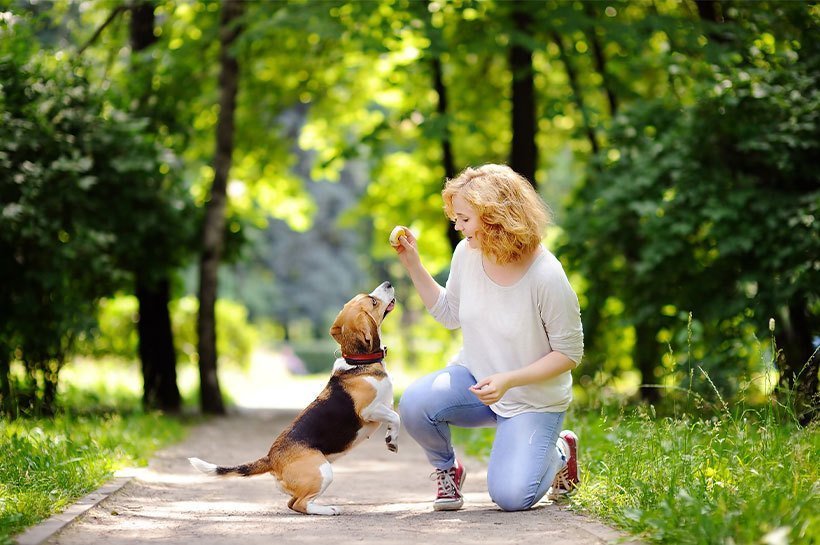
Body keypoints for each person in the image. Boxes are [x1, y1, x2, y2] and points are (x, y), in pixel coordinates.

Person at [391, 163, 584, 512]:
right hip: (477, 382)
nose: (457, 226)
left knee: (511, 498)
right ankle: (447, 470)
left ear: (495, 217)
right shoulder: (467, 253)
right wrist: (413, 265)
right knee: (415, 404)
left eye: (464, 218)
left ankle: (560, 451)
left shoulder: (547, 275)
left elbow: (569, 354)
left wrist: (510, 380)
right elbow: (449, 314)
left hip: (532, 398)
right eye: (455, 217)